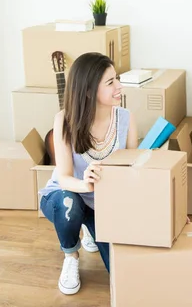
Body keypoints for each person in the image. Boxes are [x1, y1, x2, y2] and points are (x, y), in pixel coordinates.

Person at [38, 52, 138, 295]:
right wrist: (87, 185)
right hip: (67, 194)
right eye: (110, 82)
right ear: (89, 91)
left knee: (123, 273)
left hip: (104, 204)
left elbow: (136, 174)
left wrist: (168, 212)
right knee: (69, 205)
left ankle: (91, 230)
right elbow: (63, 177)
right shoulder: (64, 120)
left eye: (117, 79)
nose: (119, 87)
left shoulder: (126, 119)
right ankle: (71, 255)